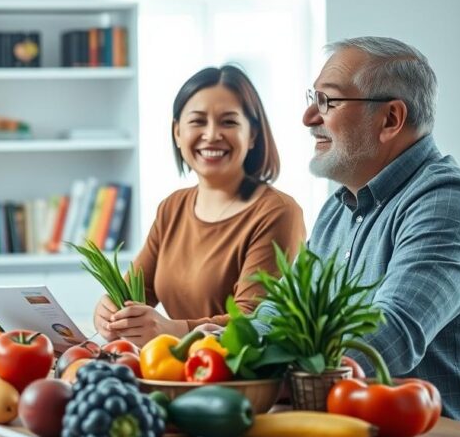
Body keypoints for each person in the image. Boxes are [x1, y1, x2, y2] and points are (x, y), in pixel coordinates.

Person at [303, 36, 460, 431]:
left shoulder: (449, 202)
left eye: (327, 101)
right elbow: (284, 313)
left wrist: (265, 362)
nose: (310, 117)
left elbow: (389, 334)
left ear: (390, 120)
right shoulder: (337, 209)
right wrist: (225, 347)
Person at [93, 64, 305, 346]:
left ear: (253, 135)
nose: (212, 134)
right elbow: (134, 292)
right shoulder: (172, 207)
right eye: (198, 121)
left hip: (240, 379)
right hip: (174, 372)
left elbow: (253, 323)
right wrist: (110, 311)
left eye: (228, 122)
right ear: (177, 132)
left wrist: (174, 330)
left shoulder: (277, 211)